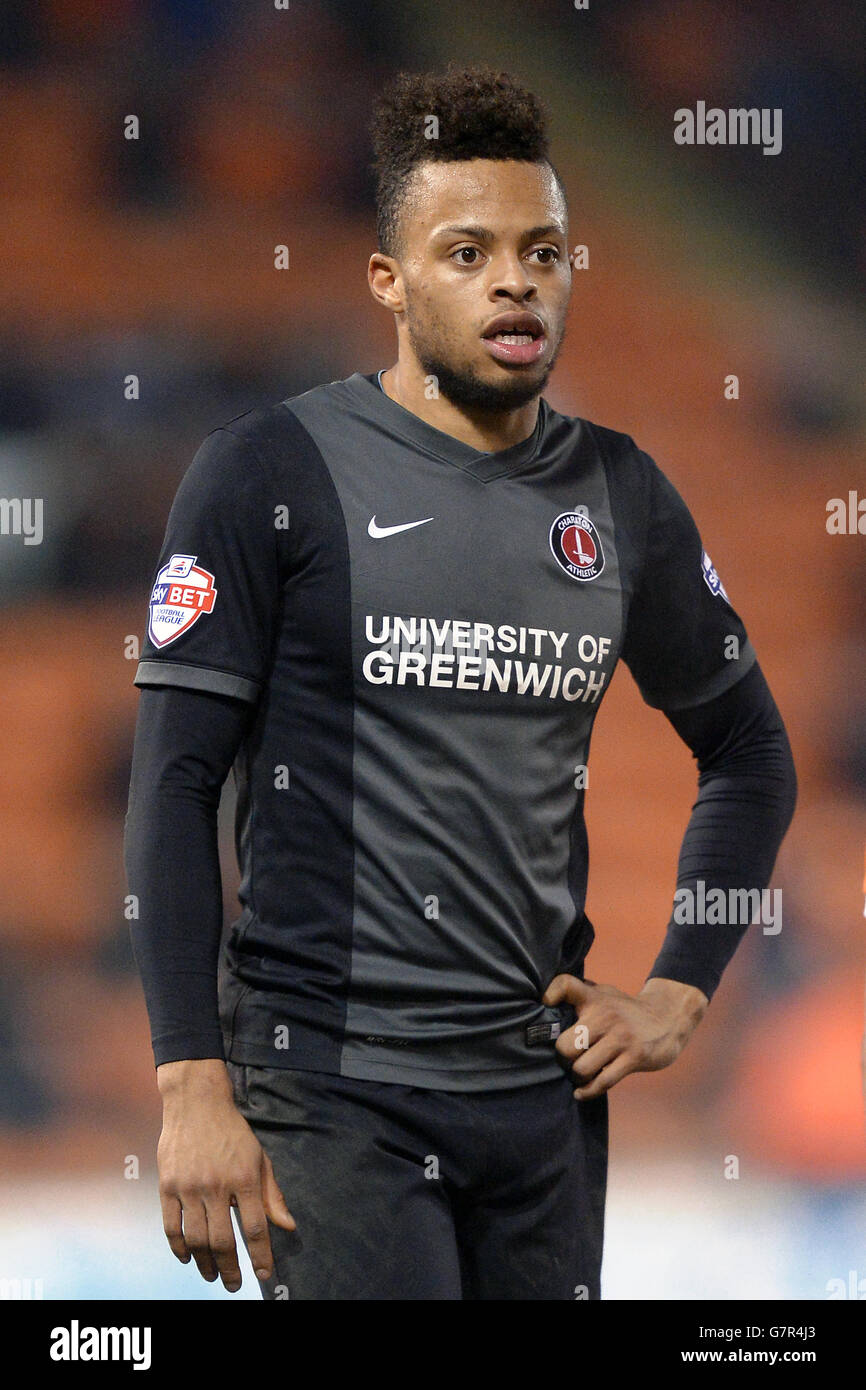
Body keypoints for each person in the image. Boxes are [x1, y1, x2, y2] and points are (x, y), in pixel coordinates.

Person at [124, 64, 797, 1300]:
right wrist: (189, 1085)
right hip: (331, 1088)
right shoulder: (267, 473)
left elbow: (750, 755)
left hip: (538, 1097)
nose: (513, 279)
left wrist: (677, 994)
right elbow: (173, 786)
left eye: (543, 251)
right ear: (388, 280)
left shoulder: (621, 493)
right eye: (467, 250)